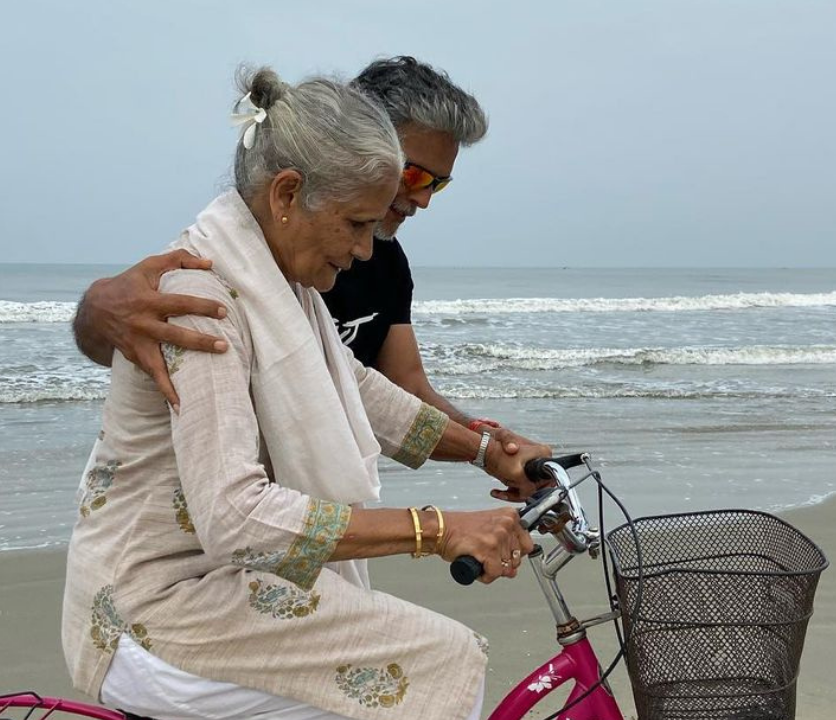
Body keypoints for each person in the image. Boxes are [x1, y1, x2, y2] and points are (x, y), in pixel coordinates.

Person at [62, 67, 551, 720]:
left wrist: (491, 451)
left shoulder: (282, 286)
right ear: (288, 193)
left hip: (224, 588)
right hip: (155, 610)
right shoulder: (200, 297)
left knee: (424, 656)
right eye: (355, 225)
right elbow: (236, 517)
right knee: (439, 658)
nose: (360, 249)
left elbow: (366, 391)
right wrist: (434, 529)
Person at [72, 56, 532, 452]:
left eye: (439, 183)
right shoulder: (239, 254)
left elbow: (396, 389)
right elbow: (136, 339)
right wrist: (97, 308)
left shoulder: (385, 262)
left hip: (305, 507)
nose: (425, 199)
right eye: (414, 176)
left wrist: (489, 445)